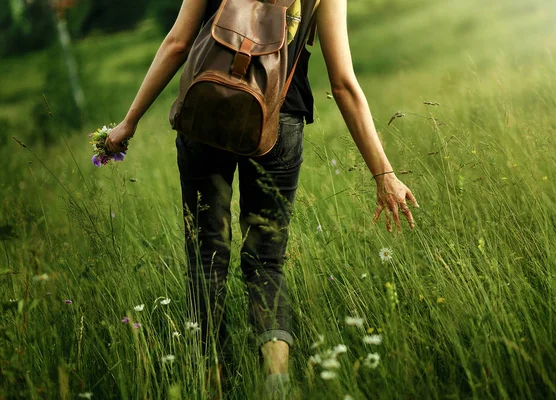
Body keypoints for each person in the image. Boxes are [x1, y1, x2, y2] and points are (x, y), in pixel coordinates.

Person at [105, 0, 419, 397]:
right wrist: (384, 173)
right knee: (266, 262)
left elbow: (177, 44)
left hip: (207, 113)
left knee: (206, 258)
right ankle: (277, 385)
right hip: (279, 121)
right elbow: (342, 83)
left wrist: (130, 121)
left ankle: (213, 384)